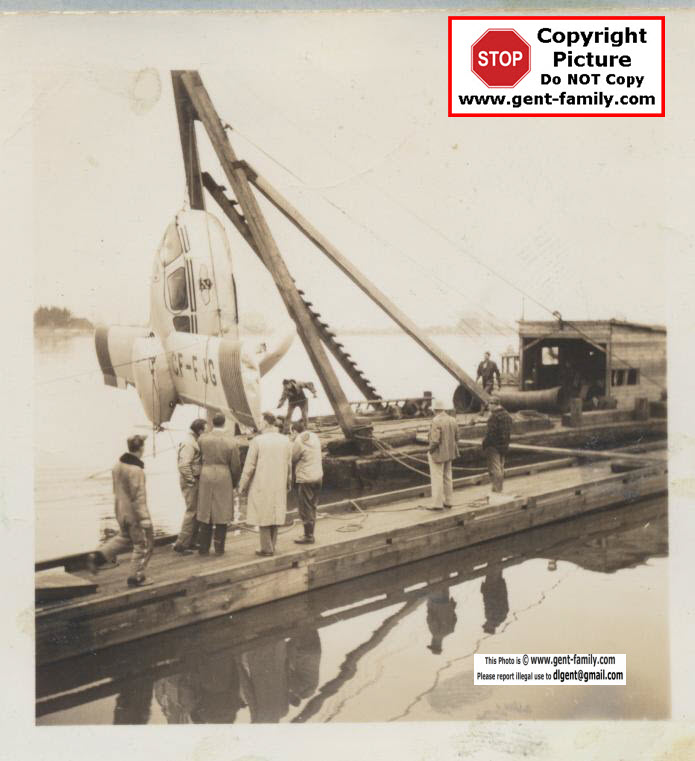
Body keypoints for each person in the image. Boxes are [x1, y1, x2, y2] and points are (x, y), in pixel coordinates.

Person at [87, 434, 154, 588]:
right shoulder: (137, 470)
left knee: (124, 537)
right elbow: (139, 497)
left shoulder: (117, 466)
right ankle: (136, 577)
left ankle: (97, 557)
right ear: (141, 448)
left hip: (119, 510)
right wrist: (145, 519)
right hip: (134, 513)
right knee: (142, 544)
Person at [238, 412, 292, 557]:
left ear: (267, 423)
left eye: (261, 422)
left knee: (263, 514)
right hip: (279, 482)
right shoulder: (285, 440)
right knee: (275, 512)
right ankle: (272, 545)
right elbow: (289, 464)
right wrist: (288, 481)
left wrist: (242, 485)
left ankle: (266, 548)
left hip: (262, 482)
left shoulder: (257, 441)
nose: (259, 425)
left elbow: (249, 466)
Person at [196, 413, 241, 556]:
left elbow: (198, 459)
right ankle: (219, 548)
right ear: (224, 423)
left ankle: (203, 548)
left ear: (212, 423)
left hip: (206, 474)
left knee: (206, 511)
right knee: (222, 512)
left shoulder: (202, 439)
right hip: (223, 475)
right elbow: (236, 465)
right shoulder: (231, 441)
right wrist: (234, 482)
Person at [172, 418, 207, 555]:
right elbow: (183, 465)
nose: (206, 432)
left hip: (193, 480)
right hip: (191, 481)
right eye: (205, 429)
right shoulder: (189, 443)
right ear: (199, 430)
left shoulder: (192, 440)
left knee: (196, 511)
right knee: (192, 512)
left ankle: (191, 542)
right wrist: (191, 480)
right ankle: (181, 544)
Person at [291, 420, 323, 544]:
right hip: (318, 476)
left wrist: (292, 442)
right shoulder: (314, 436)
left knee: (305, 508)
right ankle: (310, 532)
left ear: (294, 431)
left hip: (306, 478)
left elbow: (293, 458)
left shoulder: (298, 440)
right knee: (313, 505)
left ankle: (308, 536)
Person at [427, 398, 460, 510]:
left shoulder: (436, 420)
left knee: (437, 478)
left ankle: (437, 504)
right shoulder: (452, 420)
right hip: (450, 453)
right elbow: (457, 437)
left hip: (438, 454)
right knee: (448, 477)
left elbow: (435, 440)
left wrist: (430, 450)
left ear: (434, 410)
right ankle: (449, 501)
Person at [482, 396, 513, 494]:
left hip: (493, 446)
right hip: (504, 445)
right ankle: (499, 488)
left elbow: (491, 433)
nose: (488, 407)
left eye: (489, 404)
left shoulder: (494, 417)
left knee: (495, 469)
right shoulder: (507, 415)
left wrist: (485, 444)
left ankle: (496, 490)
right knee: (501, 468)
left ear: (494, 404)